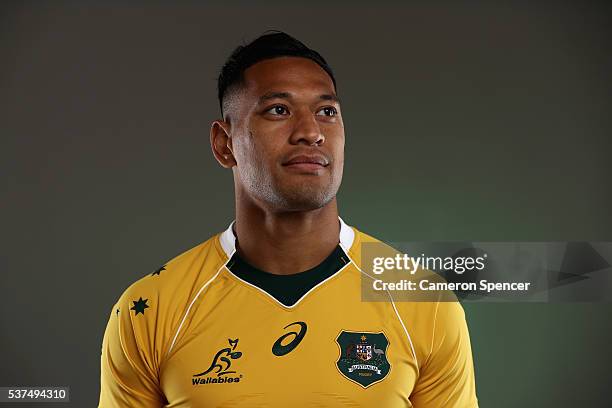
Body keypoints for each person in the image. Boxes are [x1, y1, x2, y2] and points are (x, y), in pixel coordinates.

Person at [98, 31, 478, 407]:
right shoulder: (150, 308)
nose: (311, 132)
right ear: (224, 143)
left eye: (326, 111)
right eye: (278, 110)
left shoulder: (423, 301)